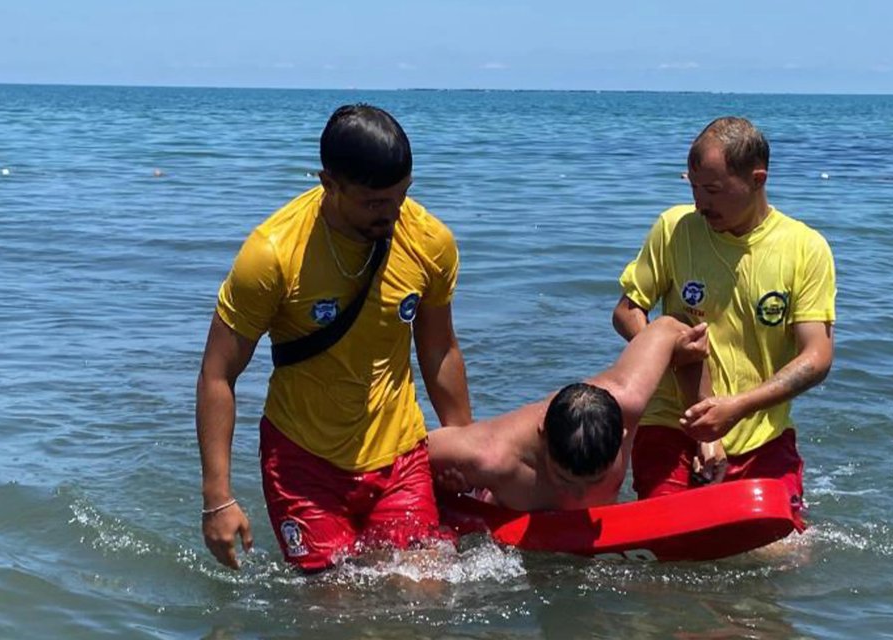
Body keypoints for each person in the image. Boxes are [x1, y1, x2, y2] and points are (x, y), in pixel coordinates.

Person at [195, 104, 473, 572]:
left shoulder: (429, 242)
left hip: (401, 456)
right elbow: (217, 374)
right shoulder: (273, 254)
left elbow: (439, 348)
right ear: (329, 184)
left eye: (400, 197)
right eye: (374, 203)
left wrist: (468, 448)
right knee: (333, 612)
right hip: (304, 464)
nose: (392, 215)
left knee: (428, 594)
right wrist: (217, 498)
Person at [612, 116, 836, 509]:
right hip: (671, 425)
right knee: (671, 543)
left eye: (712, 190)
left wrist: (736, 408)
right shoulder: (673, 228)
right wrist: (663, 348)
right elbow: (628, 311)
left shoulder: (805, 247)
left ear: (757, 179)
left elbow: (816, 357)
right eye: (693, 187)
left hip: (761, 433)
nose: (700, 204)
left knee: (786, 552)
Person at [428, 316, 709, 511]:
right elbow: (400, 454)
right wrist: (447, 489)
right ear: (542, 437)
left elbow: (674, 328)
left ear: (623, 434)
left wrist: (706, 435)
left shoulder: (629, 398)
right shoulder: (491, 455)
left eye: (596, 481)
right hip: (504, 511)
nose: (579, 495)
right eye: (562, 479)